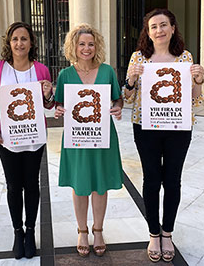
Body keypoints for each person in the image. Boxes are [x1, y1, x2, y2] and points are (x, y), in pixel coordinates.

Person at [123, 9, 204, 263]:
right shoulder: (138, 57)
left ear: (172, 28)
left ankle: (167, 233)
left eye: (163, 25)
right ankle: (152, 233)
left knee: (172, 181)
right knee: (151, 179)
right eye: (153, 27)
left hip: (178, 129)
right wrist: (132, 79)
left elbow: (194, 98)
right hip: (145, 127)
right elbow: (127, 97)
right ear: (148, 32)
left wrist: (199, 80)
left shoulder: (185, 57)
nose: (159, 30)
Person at [0, 22, 54, 259]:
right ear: (9, 43)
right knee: (14, 187)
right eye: (15, 39)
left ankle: (30, 231)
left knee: (32, 186)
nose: (19, 43)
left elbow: (48, 106)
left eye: (24, 39)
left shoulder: (41, 70)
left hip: (34, 140)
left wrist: (48, 94)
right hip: (8, 142)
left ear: (31, 42)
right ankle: (17, 232)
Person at [54, 23, 124, 257]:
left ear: (97, 46)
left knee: (100, 185)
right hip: (77, 139)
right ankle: (82, 230)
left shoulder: (107, 71)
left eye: (91, 44)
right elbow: (60, 104)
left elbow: (117, 99)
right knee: (80, 184)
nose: (86, 48)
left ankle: (99, 230)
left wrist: (116, 108)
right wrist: (58, 110)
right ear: (73, 46)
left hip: (103, 136)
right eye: (82, 44)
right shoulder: (65, 74)